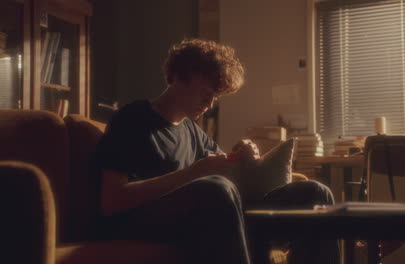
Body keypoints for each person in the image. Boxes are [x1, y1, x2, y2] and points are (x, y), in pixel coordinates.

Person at [93, 38, 339, 264]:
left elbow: (228, 175)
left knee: (315, 192)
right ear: (178, 77)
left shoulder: (192, 130)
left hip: (205, 218)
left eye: (216, 98)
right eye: (206, 94)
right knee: (216, 188)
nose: (210, 105)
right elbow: (112, 201)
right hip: (141, 222)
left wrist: (244, 156)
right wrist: (194, 172)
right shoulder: (132, 119)